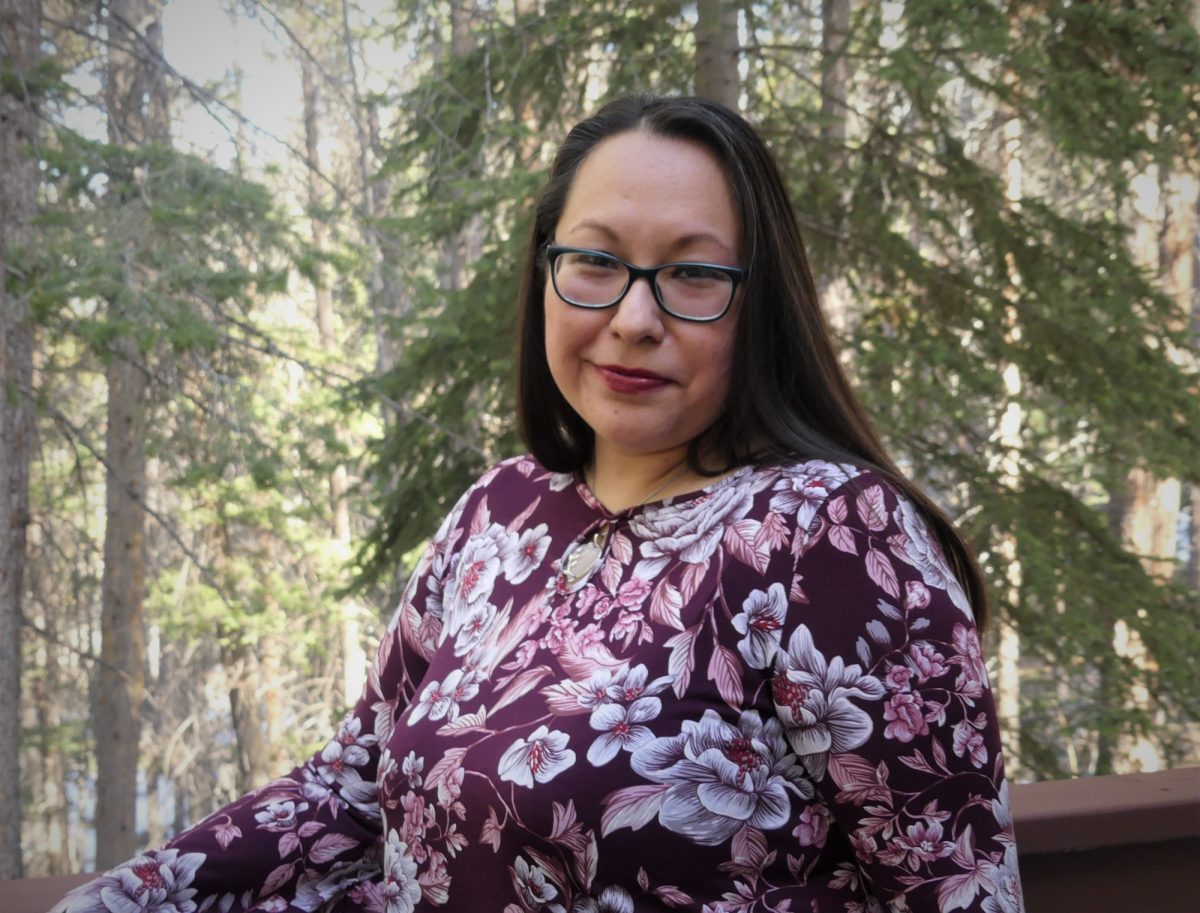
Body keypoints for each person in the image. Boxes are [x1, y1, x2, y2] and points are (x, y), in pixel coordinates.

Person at [55, 95, 1023, 913]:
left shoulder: (828, 533)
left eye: (693, 273)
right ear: (546, 272)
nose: (633, 320)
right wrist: (122, 898)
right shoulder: (502, 513)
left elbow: (956, 888)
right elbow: (354, 788)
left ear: (760, 300)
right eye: (595, 261)